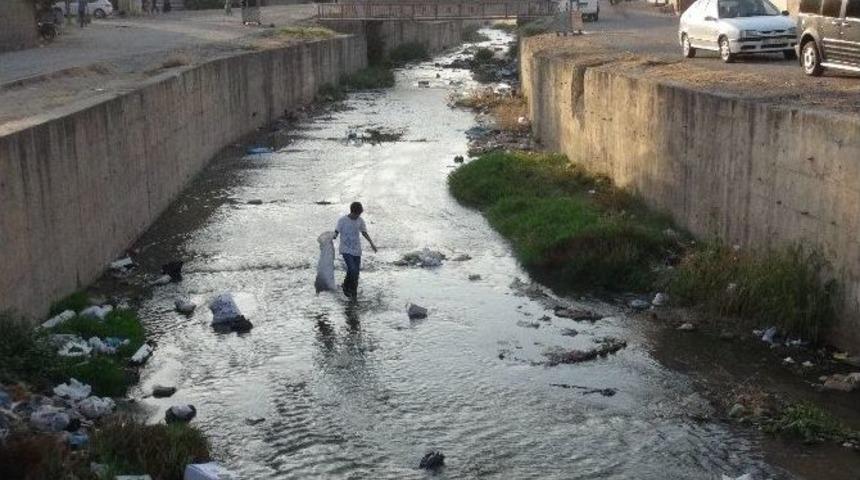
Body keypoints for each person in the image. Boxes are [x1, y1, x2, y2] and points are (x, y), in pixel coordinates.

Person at [333, 202, 377, 298]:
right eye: (357, 214)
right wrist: (334, 236)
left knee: (356, 272)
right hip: (345, 249)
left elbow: (364, 232)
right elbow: (337, 230)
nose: (358, 216)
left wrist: (371, 243)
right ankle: (346, 286)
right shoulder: (342, 220)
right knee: (352, 269)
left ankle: (353, 293)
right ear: (352, 212)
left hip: (357, 250)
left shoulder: (360, 220)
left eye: (359, 214)